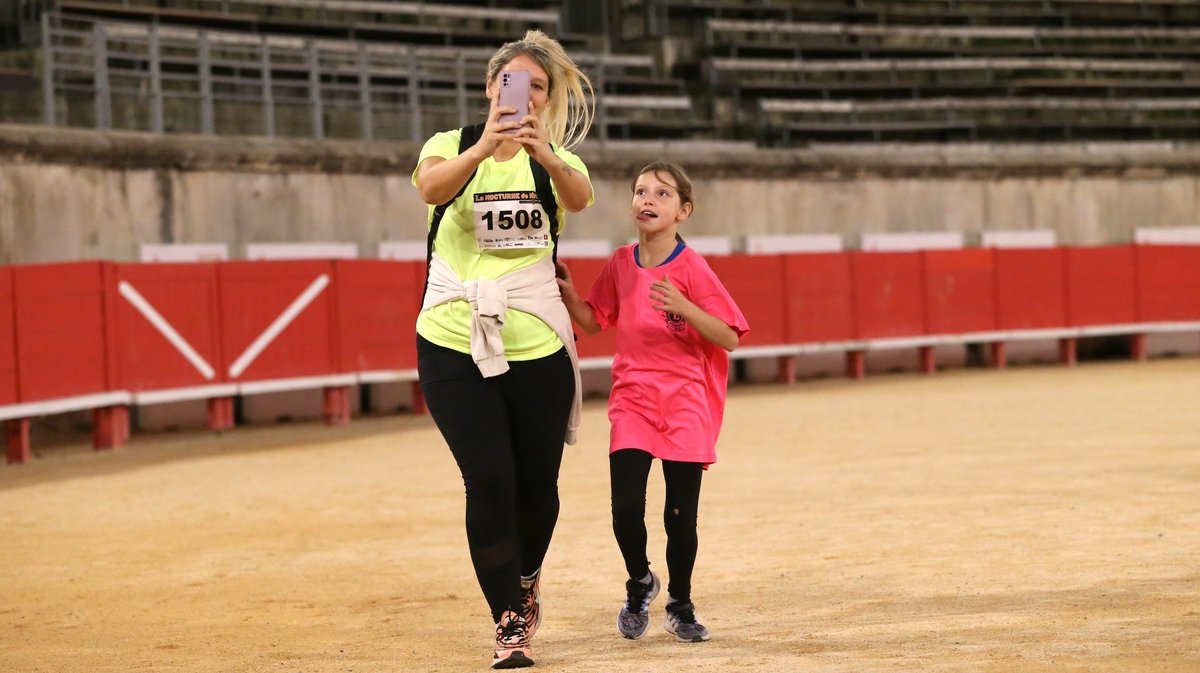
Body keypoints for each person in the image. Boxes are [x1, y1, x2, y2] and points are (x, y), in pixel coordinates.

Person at [411, 30, 595, 670]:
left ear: (547, 100)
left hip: (538, 339)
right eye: (514, 82)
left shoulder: (558, 157)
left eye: (538, 86)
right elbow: (432, 190)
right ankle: (509, 623)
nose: (526, 94)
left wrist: (542, 154)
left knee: (538, 491)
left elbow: (580, 198)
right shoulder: (451, 144)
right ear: (492, 88)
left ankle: (525, 579)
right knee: (488, 478)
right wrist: (486, 146)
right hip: (452, 337)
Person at [555, 161, 749, 644]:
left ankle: (681, 604)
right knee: (625, 508)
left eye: (662, 194)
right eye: (640, 191)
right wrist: (568, 295)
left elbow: (729, 336)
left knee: (679, 516)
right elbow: (597, 320)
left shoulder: (693, 267)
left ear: (684, 211)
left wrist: (685, 308)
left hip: (685, 400)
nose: (647, 200)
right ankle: (641, 582)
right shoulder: (621, 262)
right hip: (634, 399)